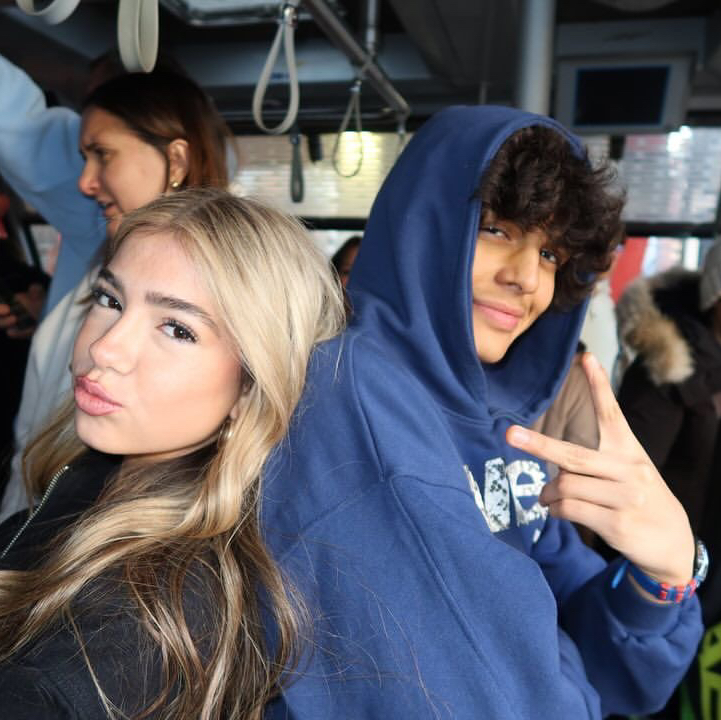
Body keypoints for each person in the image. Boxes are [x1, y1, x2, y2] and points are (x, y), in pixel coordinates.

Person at [261, 106, 704, 720]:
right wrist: (564, 661)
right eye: (496, 230)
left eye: (550, 255)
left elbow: (620, 675)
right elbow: (492, 696)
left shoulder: (491, 422)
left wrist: (666, 572)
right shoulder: (353, 400)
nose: (528, 279)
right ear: (425, 230)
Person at [0, 187, 345, 718]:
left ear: (252, 385)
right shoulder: (94, 483)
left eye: (177, 328)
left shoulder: (129, 629)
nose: (104, 347)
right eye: (110, 300)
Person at [0, 68, 232, 524]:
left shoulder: (225, 280)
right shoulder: (99, 246)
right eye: (108, 301)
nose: (84, 182)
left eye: (102, 155)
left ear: (176, 160)